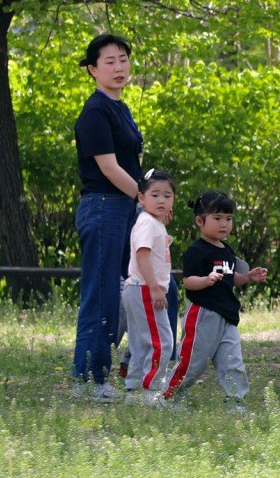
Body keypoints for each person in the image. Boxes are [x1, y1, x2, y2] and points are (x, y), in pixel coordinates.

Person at [71, 34, 142, 403]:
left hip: (127, 207)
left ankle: (141, 367)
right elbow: (110, 168)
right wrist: (145, 197)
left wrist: (144, 200)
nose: (119, 67)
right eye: (109, 61)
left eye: (123, 59)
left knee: (152, 288)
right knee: (102, 297)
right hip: (103, 206)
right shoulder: (96, 110)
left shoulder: (121, 108)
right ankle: (89, 379)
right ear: (93, 70)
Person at [163, 191, 268, 413]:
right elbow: (189, 282)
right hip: (203, 315)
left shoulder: (227, 251)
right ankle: (169, 396)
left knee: (233, 361)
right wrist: (206, 280)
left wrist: (248, 278)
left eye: (228, 219)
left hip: (227, 316)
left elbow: (231, 279)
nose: (224, 224)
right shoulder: (196, 251)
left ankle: (235, 401)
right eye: (217, 218)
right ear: (200, 221)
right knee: (193, 362)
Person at [120, 169, 176, 404]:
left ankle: (135, 390)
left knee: (141, 342)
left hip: (137, 288)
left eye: (167, 195)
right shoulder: (147, 224)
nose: (161, 200)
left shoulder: (151, 222)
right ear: (141, 199)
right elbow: (142, 256)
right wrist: (154, 288)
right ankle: (150, 388)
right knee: (162, 342)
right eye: (155, 195)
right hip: (145, 288)